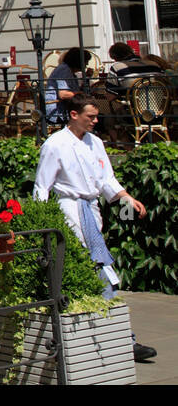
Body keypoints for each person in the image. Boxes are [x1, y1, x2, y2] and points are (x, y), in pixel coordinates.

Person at [34, 94, 155, 362]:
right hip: (69, 211)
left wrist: (127, 198)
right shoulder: (55, 144)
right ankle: (120, 339)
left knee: (96, 266)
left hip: (92, 211)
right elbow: (42, 187)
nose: (96, 121)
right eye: (91, 116)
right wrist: (42, 225)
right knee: (94, 269)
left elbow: (107, 179)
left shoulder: (96, 143)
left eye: (96, 116)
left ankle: (113, 336)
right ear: (74, 115)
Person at [46, 48, 86, 125]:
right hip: (57, 112)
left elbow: (74, 90)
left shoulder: (70, 71)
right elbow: (63, 94)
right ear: (78, 61)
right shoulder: (64, 70)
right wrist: (82, 95)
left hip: (68, 108)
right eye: (85, 62)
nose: (86, 65)